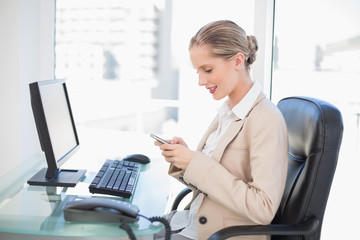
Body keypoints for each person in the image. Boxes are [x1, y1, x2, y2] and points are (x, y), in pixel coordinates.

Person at [154, 20, 288, 240]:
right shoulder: (227, 112)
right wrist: (184, 160)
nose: (200, 81)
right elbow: (212, 181)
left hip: (216, 234)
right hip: (190, 222)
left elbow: (263, 208)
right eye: (198, 71)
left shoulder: (266, 120)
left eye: (207, 70)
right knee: (119, 227)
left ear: (237, 60)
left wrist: (195, 162)